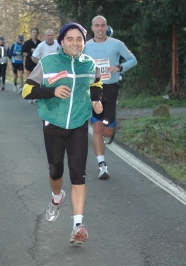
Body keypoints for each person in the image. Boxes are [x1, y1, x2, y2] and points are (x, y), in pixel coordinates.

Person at [21, 22, 103, 244]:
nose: (75, 43)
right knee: (55, 170)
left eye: (79, 39)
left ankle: (78, 225)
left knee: (78, 174)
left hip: (78, 124)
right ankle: (57, 197)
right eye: (70, 39)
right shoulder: (48, 62)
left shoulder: (90, 63)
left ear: (84, 42)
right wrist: (52, 91)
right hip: (54, 124)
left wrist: (96, 100)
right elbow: (27, 91)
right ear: (62, 42)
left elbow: (96, 83)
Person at [84, 15, 137, 180]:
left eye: (103, 25)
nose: (100, 29)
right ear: (92, 28)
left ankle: (111, 127)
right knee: (97, 128)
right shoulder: (85, 46)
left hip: (112, 89)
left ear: (106, 27)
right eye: (97, 26)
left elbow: (133, 60)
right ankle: (102, 165)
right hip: (94, 89)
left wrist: (120, 67)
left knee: (107, 130)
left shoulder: (116, 44)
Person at [27, 29, 61, 104]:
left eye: (52, 35)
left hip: (57, 69)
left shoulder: (58, 44)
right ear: (45, 36)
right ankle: (40, 98)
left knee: (56, 83)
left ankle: (56, 98)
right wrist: (41, 64)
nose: (50, 37)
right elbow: (33, 57)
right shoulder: (41, 45)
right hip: (45, 69)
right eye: (48, 35)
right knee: (45, 84)